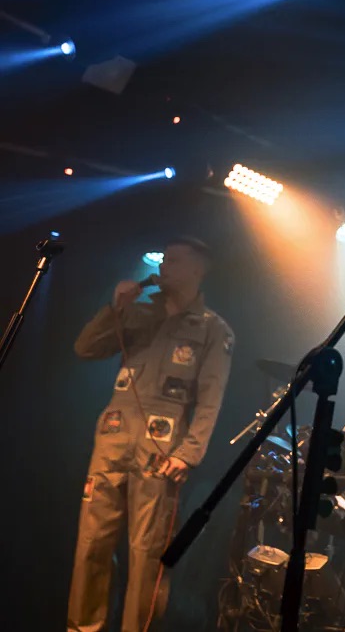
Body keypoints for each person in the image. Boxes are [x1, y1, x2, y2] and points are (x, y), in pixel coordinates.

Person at [68, 236, 234, 632]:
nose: (163, 267)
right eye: (163, 259)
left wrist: (188, 453)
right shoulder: (139, 314)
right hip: (112, 442)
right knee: (91, 546)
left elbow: (210, 399)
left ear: (198, 269)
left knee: (147, 555)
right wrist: (115, 308)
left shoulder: (214, 329)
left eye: (174, 261)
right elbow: (85, 348)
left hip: (161, 451)